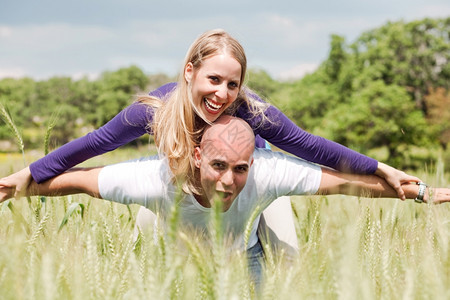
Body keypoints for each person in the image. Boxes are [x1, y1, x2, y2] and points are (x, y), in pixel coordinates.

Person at [0, 29, 420, 257]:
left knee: (286, 255)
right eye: (213, 79)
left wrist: (378, 168)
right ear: (189, 72)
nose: (222, 94)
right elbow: (91, 146)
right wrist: (27, 174)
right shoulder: (154, 109)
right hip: (175, 186)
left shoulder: (252, 111)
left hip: (251, 187)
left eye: (232, 84)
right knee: (151, 254)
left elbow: (310, 146)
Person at [2, 116, 448, 288]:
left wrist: (423, 193)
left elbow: (349, 182)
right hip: (176, 256)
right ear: (196, 156)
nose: (228, 180)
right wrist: (14, 186)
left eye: (241, 168)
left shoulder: (270, 170)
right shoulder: (150, 178)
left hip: (244, 252)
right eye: (218, 166)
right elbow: (76, 179)